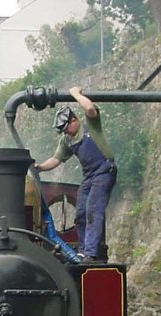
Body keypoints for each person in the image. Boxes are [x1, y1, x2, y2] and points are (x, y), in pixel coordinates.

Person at [33, 86, 117, 263]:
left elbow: (89, 108)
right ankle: (84, 250)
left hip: (104, 171)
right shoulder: (67, 140)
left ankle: (92, 254)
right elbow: (56, 159)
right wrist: (38, 168)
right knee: (80, 212)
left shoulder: (90, 125)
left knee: (94, 210)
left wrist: (76, 94)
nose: (65, 132)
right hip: (89, 176)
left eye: (66, 128)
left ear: (73, 120)